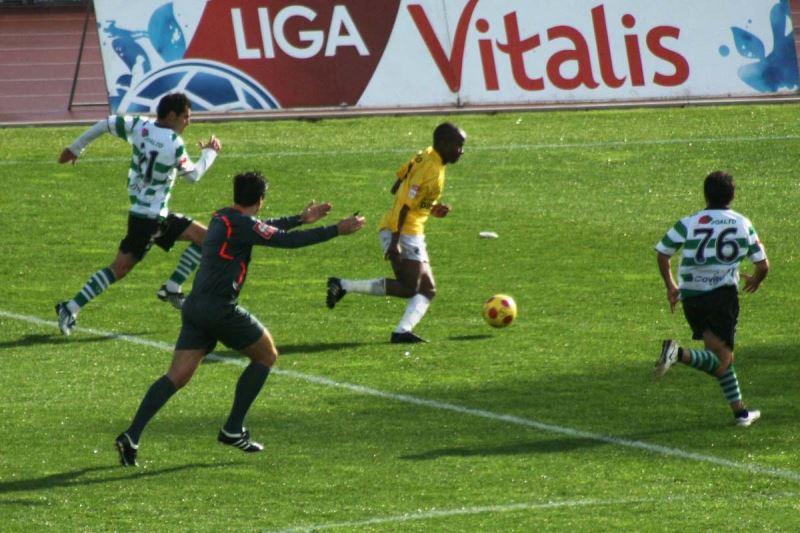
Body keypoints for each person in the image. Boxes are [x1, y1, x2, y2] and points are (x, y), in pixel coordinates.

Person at [115, 171, 365, 466]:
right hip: (218, 308)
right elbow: (286, 241)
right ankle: (233, 428)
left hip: (195, 306)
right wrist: (337, 229)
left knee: (177, 376)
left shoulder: (224, 217)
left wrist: (300, 217)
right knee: (266, 355)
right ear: (260, 200)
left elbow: (261, 228)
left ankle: (131, 435)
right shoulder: (242, 224)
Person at [55, 92, 220, 336]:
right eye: (186, 117)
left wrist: (76, 147)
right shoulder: (173, 142)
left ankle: (172, 287)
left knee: (207, 239)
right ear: (172, 115)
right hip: (148, 219)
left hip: (154, 214)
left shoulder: (139, 125)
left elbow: (106, 123)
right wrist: (210, 153)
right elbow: (193, 176)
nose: (188, 122)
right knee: (119, 269)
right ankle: (70, 307)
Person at [326, 122, 466, 344]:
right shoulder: (429, 166)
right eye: (458, 145)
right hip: (403, 232)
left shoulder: (427, 156)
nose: (461, 151)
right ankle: (347, 288)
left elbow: (398, 184)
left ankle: (399, 329)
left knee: (423, 289)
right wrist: (395, 241)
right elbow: (403, 203)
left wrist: (432, 207)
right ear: (443, 143)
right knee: (417, 288)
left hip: (409, 230)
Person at [654, 170, 769, 427]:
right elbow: (763, 265)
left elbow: (663, 253)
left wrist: (671, 286)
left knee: (718, 354)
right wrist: (755, 280)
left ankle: (740, 412)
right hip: (721, 297)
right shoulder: (741, 223)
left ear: (705, 195)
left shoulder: (691, 221)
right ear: (733, 195)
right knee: (721, 361)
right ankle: (678, 354)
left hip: (691, 296)